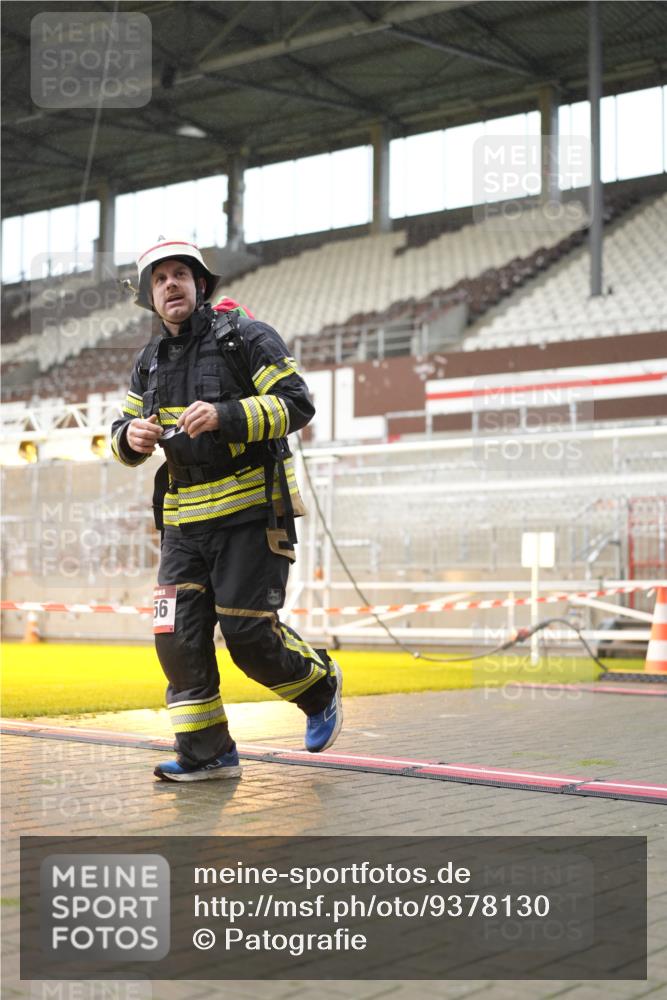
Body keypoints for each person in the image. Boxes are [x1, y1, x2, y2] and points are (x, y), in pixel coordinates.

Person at [111, 238, 342, 782]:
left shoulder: (245, 336)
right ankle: (207, 753)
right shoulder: (148, 362)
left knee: (248, 637)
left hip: (250, 513)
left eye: (180, 274)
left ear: (200, 285)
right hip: (182, 525)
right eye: (159, 278)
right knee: (175, 639)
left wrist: (225, 415)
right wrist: (130, 438)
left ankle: (319, 687)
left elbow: (297, 404)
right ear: (150, 296)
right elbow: (120, 436)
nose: (170, 284)